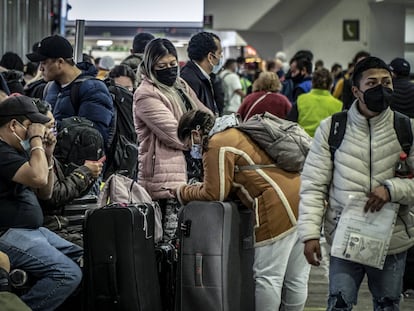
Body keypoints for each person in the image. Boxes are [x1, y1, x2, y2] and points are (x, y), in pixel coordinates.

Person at [298, 56, 414, 310]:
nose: (381, 89)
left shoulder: (407, 128)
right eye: (372, 83)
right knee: (339, 304)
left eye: (386, 82)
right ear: (356, 91)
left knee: (388, 305)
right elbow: (314, 185)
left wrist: (392, 189)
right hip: (344, 237)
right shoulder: (332, 128)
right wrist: (309, 235)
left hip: (391, 240)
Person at [175, 109, 311, 311]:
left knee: (269, 276)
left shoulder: (216, 143)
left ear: (196, 133)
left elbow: (214, 192)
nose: (191, 150)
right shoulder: (237, 132)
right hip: (304, 196)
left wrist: (182, 191)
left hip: (277, 205)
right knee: (296, 276)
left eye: (188, 145)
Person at [0, 95, 83, 311]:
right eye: (30, 127)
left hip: (30, 229)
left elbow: (45, 191)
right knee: (67, 273)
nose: (33, 132)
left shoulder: (17, 151)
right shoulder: (1, 152)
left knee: (85, 256)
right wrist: (36, 141)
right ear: (13, 125)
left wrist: (47, 153)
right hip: (7, 232)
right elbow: (37, 178)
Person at [133, 38, 211, 241]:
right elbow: (175, 135)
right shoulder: (146, 94)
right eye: (162, 66)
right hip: (166, 180)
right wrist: (200, 135)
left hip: (191, 172)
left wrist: (206, 129)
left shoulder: (180, 85)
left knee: (191, 240)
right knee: (170, 244)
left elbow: (206, 115)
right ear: (151, 66)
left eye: (173, 65)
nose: (169, 70)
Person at [34, 99, 102, 247]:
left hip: (57, 226)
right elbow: (53, 196)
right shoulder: (33, 157)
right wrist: (84, 173)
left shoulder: (46, 152)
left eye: (54, 126)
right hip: (48, 228)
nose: (53, 133)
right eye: (49, 127)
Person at [26, 35, 114, 146]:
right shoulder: (51, 87)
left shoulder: (93, 89)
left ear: (60, 62)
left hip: (80, 162)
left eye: (44, 62)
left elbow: (93, 138)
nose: (40, 68)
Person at [287, 68, 342, 137]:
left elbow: (289, 123)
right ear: (331, 85)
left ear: (312, 83)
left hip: (301, 142)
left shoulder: (301, 100)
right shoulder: (339, 105)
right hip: (325, 145)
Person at [180, 31, 224, 115]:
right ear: (210, 57)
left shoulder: (203, 77)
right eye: (220, 53)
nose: (221, 57)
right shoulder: (190, 80)